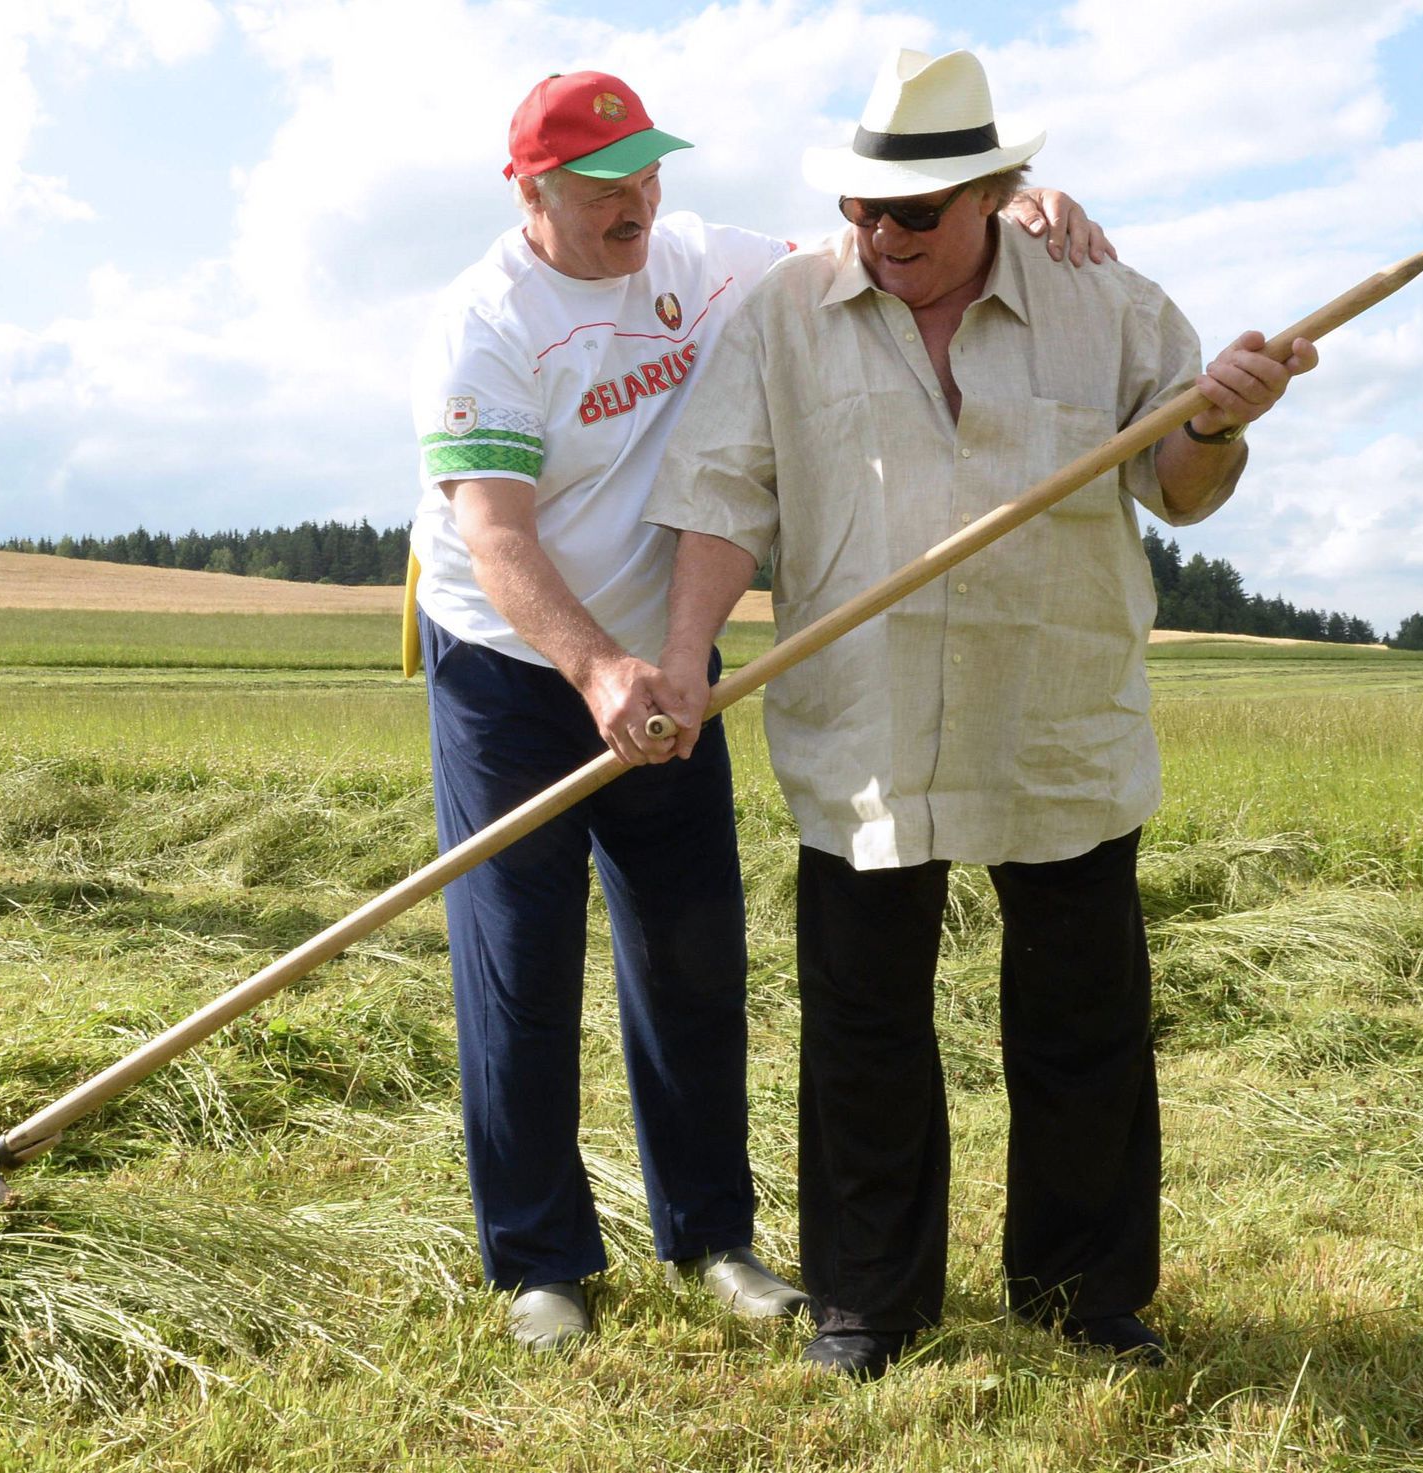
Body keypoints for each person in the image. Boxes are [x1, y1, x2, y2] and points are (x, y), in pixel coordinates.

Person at [409, 68, 1112, 1351]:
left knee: (689, 956)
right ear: (530, 188)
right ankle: (541, 1262)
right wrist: (589, 669)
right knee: (518, 965)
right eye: (602, 184)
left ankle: (710, 1237)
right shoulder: (483, 323)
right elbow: (493, 534)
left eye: (647, 171)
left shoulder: (703, 260)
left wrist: (1016, 210)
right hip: (516, 666)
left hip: (672, 667)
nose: (637, 201)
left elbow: (887, 244)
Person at [646, 48, 1321, 1378]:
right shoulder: (784, 314)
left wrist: (1229, 421)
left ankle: (1084, 1297)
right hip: (865, 720)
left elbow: (1180, 491)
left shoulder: (1108, 304)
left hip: (1055, 710)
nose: (881, 238)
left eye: (914, 215)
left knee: (1082, 1023)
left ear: (994, 193)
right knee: (863, 1027)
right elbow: (723, 496)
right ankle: (867, 1304)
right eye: (861, 211)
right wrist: (682, 660)